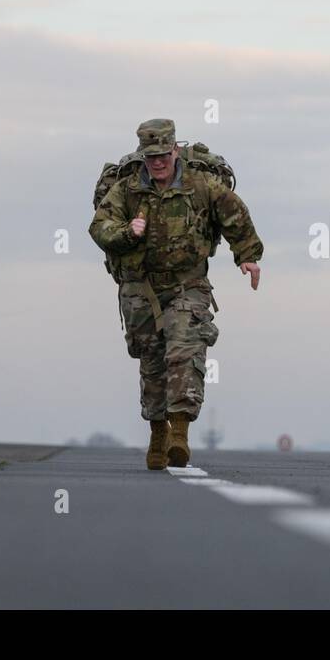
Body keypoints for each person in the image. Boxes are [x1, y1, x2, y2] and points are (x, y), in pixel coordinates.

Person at [89, 119, 262, 470]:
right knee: (152, 364)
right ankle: (158, 434)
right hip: (141, 287)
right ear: (143, 155)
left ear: (175, 150)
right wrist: (126, 232)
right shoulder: (127, 189)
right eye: (150, 157)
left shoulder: (202, 184)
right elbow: (99, 226)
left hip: (188, 284)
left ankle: (180, 434)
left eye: (163, 155)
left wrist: (248, 257)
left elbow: (234, 214)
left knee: (185, 350)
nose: (157, 163)